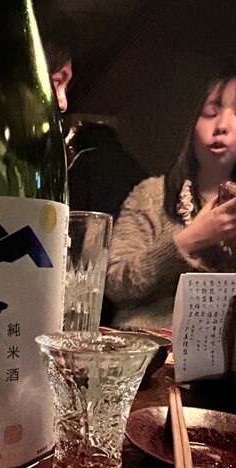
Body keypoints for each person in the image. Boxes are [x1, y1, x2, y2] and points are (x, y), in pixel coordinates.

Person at [105, 69, 236, 331]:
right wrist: (190, 239)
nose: (221, 125)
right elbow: (115, 285)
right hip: (148, 348)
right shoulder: (153, 194)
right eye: (210, 113)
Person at [67, 121, 147, 221]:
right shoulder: (131, 162)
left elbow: (72, 209)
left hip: (97, 227)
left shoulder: (84, 161)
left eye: (69, 148)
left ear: (73, 148)